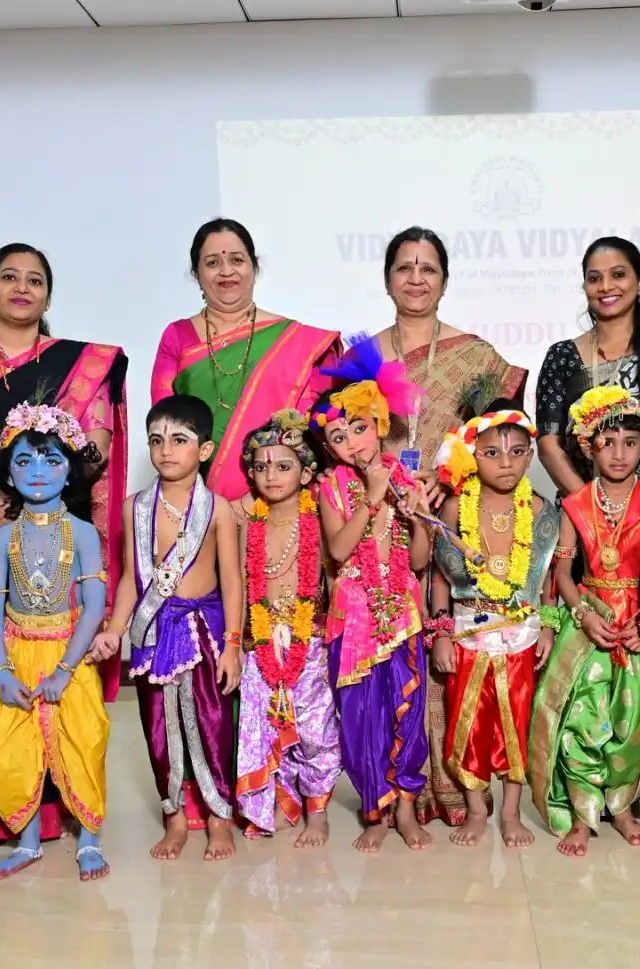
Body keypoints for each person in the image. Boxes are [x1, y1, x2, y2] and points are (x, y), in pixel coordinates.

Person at [0, 241, 127, 846]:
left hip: (52, 520)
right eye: (8, 277)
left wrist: (74, 456)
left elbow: (98, 445)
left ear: (48, 295)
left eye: (34, 280)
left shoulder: (80, 363)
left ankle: (56, 798)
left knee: (58, 654)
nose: (21, 287)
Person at [533, 235, 640, 820]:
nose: (606, 286)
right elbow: (552, 440)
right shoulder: (564, 355)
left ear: (639, 281)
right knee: (593, 660)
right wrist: (587, 502)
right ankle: (582, 776)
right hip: (591, 523)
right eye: (594, 276)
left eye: (618, 274)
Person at [374, 225, 530, 829]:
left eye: (428, 269)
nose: (416, 279)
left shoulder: (476, 356)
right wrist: (381, 481)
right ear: (387, 279)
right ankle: (394, 787)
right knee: (388, 653)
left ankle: (454, 782)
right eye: (405, 268)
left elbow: (502, 437)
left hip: (449, 515)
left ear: (445, 280)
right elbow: (342, 440)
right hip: (377, 519)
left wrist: (451, 475)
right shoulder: (359, 356)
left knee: (446, 649)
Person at [95, 395, 244, 862]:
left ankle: (220, 818)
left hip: (205, 629)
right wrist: (116, 629)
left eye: (180, 440)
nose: (166, 450)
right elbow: (129, 578)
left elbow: (232, 581)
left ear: (204, 449)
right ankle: (174, 818)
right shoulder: (134, 508)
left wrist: (234, 645)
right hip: (154, 632)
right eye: (156, 440)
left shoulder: (218, 509)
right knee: (157, 727)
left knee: (213, 724)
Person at [528, 385, 640, 856]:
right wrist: (583, 614)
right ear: (588, 447)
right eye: (607, 443)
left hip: (637, 618)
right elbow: (563, 573)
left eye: (630, 442)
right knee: (581, 717)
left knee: (630, 718)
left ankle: (622, 807)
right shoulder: (575, 503)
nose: (619, 453)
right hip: (590, 617)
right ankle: (583, 815)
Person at [311, 336, 436, 853]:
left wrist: (417, 515)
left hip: (401, 613)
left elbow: (422, 559)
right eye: (339, 437)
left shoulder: (406, 474)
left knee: (407, 709)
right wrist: (373, 499)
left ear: (379, 422)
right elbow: (338, 552)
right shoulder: (332, 487)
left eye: (359, 429)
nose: (354, 444)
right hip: (355, 618)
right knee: (362, 717)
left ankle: (405, 808)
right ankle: (376, 811)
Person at [0, 401, 110, 882]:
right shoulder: (2, 538)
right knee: (15, 750)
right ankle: (28, 843)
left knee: (83, 742)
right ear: (8, 474)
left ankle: (89, 841)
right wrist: (2, 671)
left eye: (52, 460)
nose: (38, 471)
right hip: (15, 653)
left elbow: (94, 607)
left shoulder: (84, 533)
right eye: (25, 461)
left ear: (70, 471)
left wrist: (65, 669)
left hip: (67, 655)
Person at [428, 404, 560, 849]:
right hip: (467, 629)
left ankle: (509, 810)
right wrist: (442, 631)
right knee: (468, 723)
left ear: (530, 457)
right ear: (471, 455)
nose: (506, 463)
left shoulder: (541, 510)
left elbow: (548, 582)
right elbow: (440, 577)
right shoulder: (453, 509)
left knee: (515, 723)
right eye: (491, 453)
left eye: (518, 452)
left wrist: (547, 626)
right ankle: (478, 807)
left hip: (521, 631)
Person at [151, 218, 342, 505]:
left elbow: (310, 429)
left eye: (237, 260)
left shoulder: (296, 340)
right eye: (213, 262)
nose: (226, 271)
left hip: (277, 499)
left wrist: (254, 499)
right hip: (194, 504)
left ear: (254, 267)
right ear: (197, 273)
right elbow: (165, 425)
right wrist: (205, 507)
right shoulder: (178, 337)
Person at [234, 410, 340, 846]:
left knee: (315, 728)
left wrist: (335, 632)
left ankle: (317, 813)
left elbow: (333, 578)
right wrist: (238, 641)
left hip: (308, 639)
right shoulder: (248, 523)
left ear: (306, 470)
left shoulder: (316, 520)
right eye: (261, 466)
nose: (271, 476)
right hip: (260, 641)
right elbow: (241, 584)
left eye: (283, 466)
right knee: (263, 725)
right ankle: (278, 801)